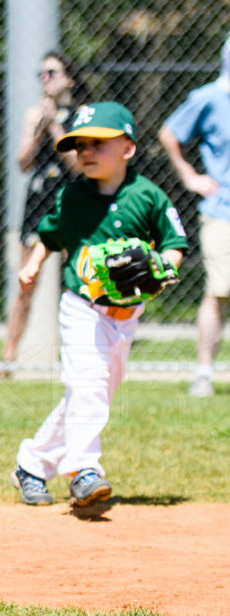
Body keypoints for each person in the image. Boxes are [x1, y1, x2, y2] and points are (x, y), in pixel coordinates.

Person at [11, 102, 187, 507]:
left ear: (127, 147)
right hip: (81, 307)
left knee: (92, 393)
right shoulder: (73, 196)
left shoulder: (148, 195)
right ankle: (83, 471)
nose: (86, 151)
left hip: (126, 314)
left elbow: (175, 246)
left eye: (98, 143)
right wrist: (33, 265)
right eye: (80, 145)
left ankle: (32, 465)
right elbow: (49, 235)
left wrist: (162, 271)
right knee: (87, 383)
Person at [0, 51, 88, 374]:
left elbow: (77, 165)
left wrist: (54, 127)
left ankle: (73, 358)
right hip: (37, 204)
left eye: (51, 72)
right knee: (26, 282)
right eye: (41, 74)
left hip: (71, 203)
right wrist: (39, 128)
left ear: (69, 79)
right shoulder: (33, 114)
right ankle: (8, 358)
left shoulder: (81, 116)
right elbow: (22, 162)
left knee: (74, 285)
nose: (44, 79)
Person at [158, 33, 230, 398]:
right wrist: (189, 176)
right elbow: (169, 133)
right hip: (223, 212)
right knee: (220, 292)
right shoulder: (209, 99)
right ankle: (203, 373)